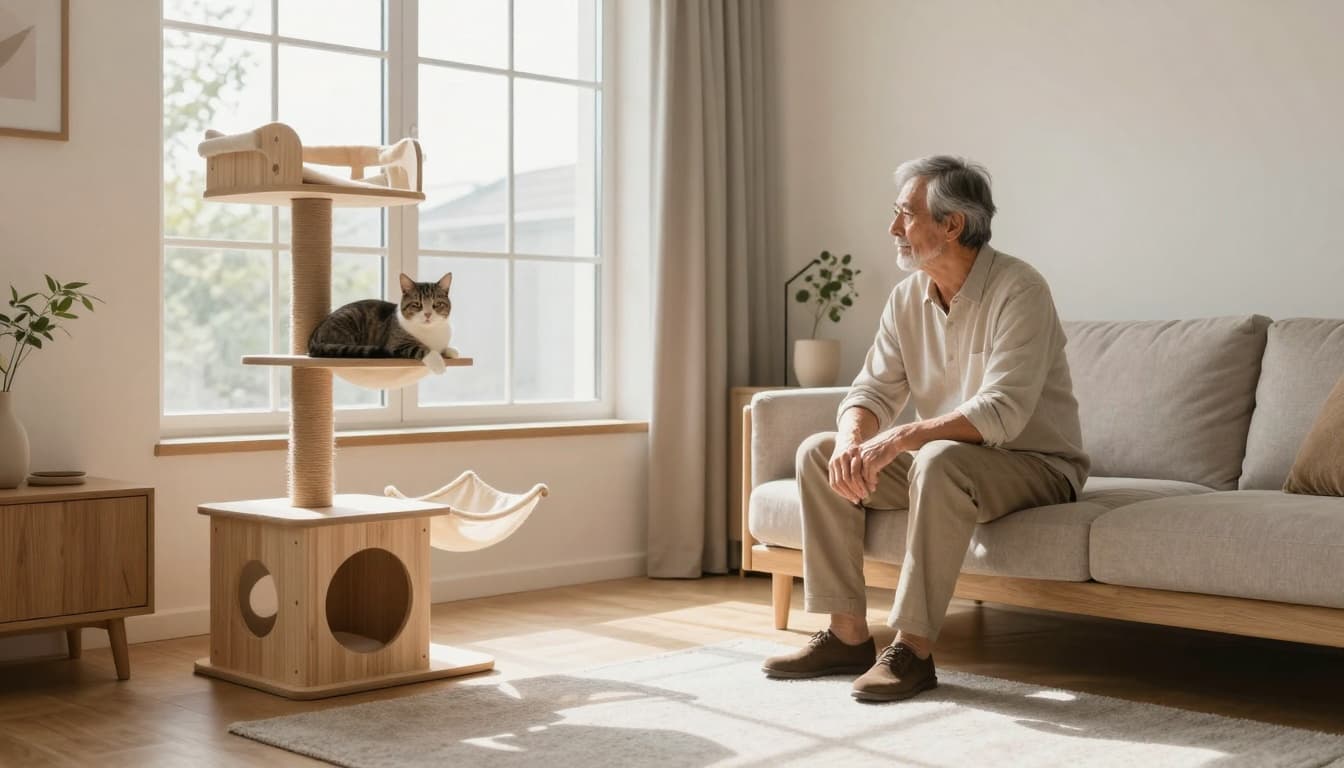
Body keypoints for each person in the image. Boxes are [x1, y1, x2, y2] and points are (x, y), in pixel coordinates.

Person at [762, 155, 1089, 702]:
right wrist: (852, 440)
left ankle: (912, 650)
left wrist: (900, 437)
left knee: (937, 459)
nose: (893, 228)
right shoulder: (906, 298)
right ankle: (846, 637)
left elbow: (1002, 410)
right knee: (820, 454)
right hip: (953, 462)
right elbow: (870, 390)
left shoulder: (1020, 290)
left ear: (952, 224)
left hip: (1036, 464)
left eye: (904, 215)